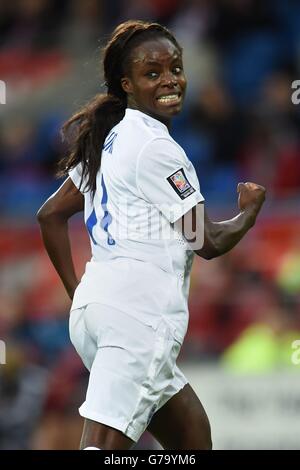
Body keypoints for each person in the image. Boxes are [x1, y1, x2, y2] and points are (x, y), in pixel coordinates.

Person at [37, 20, 266, 450]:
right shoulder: (156, 148)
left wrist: (81, 294)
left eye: (175, 68)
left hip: (97, 313)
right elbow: (208, 241)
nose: (170, 80)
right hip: (138, 318)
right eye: (152, 72)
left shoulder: (108, 139)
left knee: (193, 438)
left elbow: (49, 215)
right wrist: (248, 214)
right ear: (127, 84)